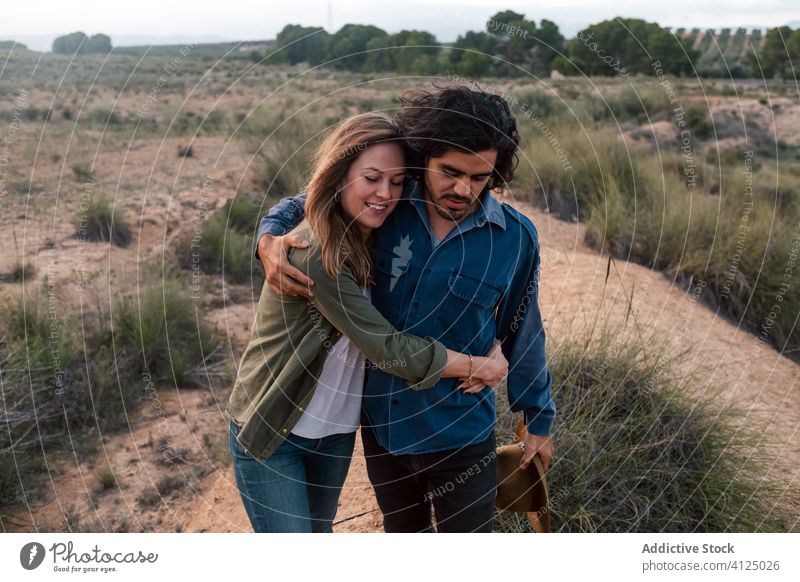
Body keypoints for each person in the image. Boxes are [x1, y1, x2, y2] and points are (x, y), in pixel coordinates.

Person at [256, 86, 556, 533]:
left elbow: (522, 327)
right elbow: (311, 199)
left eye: (479, 177)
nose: (463, 189)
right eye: (449, 172)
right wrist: (267, 238)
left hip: (462, 434)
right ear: (423, 158)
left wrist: (538, 417)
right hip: (384, 432)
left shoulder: (515, 238)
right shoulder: (386, 202)